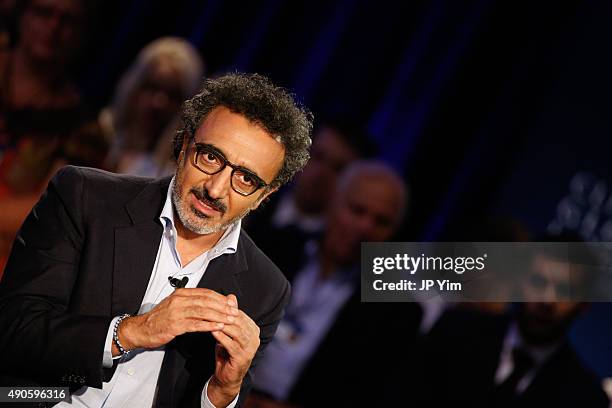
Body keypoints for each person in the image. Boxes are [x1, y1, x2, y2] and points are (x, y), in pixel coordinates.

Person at [0, 73, 313, 408]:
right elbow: (13, 329)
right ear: (184, 144)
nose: (216, 189)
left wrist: (222, 393)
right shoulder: (85, 198)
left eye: (246, 178)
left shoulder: (264, 288)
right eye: (210, 157)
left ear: (265, 195)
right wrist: (131, 332)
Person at [246, 161, 422, 408]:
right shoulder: (270, 247)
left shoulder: (395, 312)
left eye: (381, 222)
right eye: (357, 210)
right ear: (333, 203)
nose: (365, 227)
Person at [421, 232, 610, 408]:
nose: (547, 300)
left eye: (564, 291)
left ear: (584, 305)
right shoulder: (456, 331)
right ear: (519, 282)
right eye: (538, 282)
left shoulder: (586, 399)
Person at [244, 119, 376, 266]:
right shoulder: (250, 200)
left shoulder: (332, 251)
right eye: (318, 156)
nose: (321, 173)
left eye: (338, 168)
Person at [101, 36, 205, 177]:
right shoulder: (101, 135)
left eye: (172, 95)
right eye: (152, 87)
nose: (159, 103)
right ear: (134, 87)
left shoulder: (173, 175)